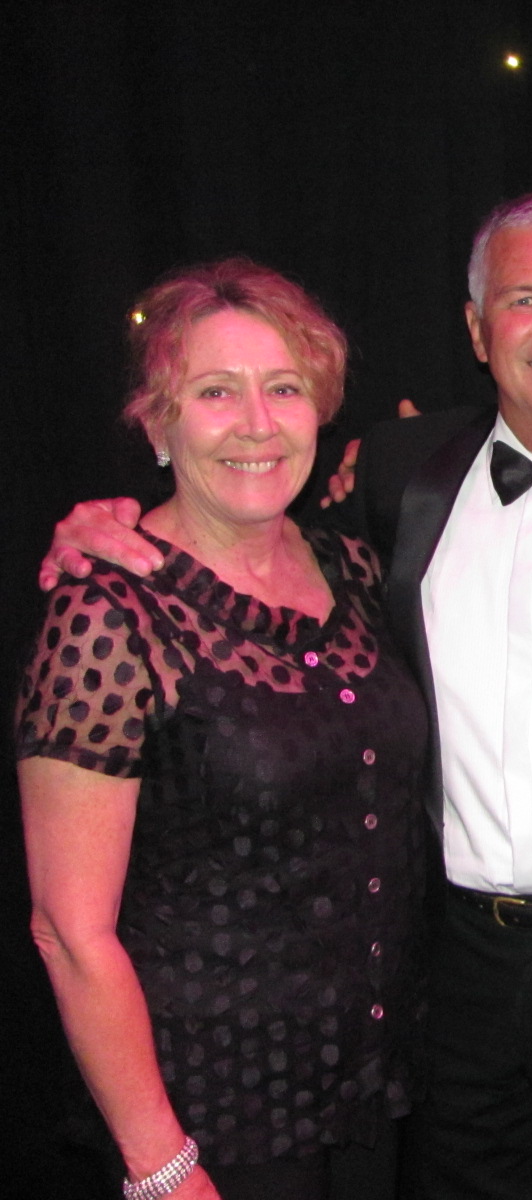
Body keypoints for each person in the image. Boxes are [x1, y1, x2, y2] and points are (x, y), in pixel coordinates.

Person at [35, 192, 532, 1200]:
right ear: (475, 328)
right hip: (435, 1010)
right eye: (522, 299)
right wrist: (107, 523)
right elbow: (233, 513)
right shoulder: (403, 476)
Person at [17, 259, 431, 1200]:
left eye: (283, 388)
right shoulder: (106, 611)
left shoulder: (352, 565)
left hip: (372, 1099)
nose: (256, 422)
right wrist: (161, 1164)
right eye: (215, 392)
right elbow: (66, 930)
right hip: (210, 1127)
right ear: (159, 423)